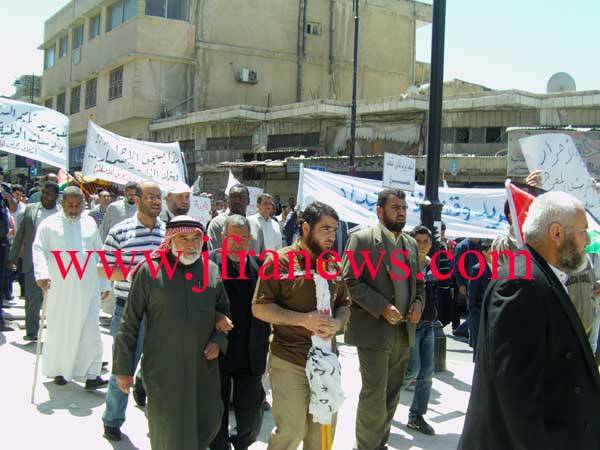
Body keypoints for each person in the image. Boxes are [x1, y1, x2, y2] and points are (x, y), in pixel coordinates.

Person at [459, 192, 600, 450]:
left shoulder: (537, 274)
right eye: (583, 231)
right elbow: (516, 395)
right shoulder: (521, 284)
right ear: (557, 233)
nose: (587, 240)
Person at [112, 216, 230, 450]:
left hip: (201, 370)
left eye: (196, 239)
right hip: (164, 371)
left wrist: (218, 342)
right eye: (183, 238)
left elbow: (223, 313)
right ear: (170, 240)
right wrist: (123, 369)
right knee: (168, 434)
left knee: (203, 426)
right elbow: (129, 322)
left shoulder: (211, 270)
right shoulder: (149, 271)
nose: (191, 245)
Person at [253, 201, 351, 450]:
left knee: (322, 435)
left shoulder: (333, 264)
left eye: (334, 230)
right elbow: (259, 308)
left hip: (327, 361)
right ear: (306, 228)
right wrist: (302, 319)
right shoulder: (279, 261)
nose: (331, 236)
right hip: (290, 359)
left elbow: (344, 304)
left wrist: (338, 322)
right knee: (292, 430)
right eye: (325, 229)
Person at [342, 188, 424, 450]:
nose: (401, 213)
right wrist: (383, 307)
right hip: (373, 331)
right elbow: (350, 280)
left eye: (404, 208)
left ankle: (379, 444)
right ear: (380, 211)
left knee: (392, 393)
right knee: (375, 393)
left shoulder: (410, 244)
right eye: (395, 207)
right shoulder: (363, 240)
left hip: (403, 332)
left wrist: (418, 304)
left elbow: (419, 284)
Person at [99, 181, 165, 442]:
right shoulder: (119, 231)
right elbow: (104, 268)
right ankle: (112, 419)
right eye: (150, 197)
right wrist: (135, 274)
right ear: (136, 199)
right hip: (128, 310)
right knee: (122, 365)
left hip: (161, 312)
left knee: (159, 367)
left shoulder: (169, 233)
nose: (156, 201)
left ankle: (152, 406)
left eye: (159, 197)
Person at [32, 186, 110, 388]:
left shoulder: (89, 223)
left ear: (84, 204)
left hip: (88, 288)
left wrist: (104, 283)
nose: (74, 210)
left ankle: (92, 374)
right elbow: (38, 250)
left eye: (77, 205)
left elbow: (98, 253)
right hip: (61, 289)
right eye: (70, 206)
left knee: (91, 332)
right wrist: (42, 275)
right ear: (62, 204)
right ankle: (61, 370)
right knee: (62, 330)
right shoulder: (49, 224)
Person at [209, 214, 270, 450]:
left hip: (250, 351)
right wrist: (215, 316)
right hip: (217, 349)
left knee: (251, 417)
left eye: (244, 238)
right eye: (233, 237)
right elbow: (195, 304)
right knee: (217, 409)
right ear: (223, 236)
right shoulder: (208, 265)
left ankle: (242, 441)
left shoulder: (260, 266)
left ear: (250, 239)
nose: (238, 243)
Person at [9, 182, 61, 341]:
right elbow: (21, 235)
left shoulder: (62, 212)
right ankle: (32, 331)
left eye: (49, 193)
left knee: (55, 299)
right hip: (33, 261)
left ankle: (56, 331)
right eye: (43, 192)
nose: (45, 196)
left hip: (57, 263)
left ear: (56, 196)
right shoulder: (31, 209)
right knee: (32, 298)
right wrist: (13, 258)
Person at [403, 225, 437, 435]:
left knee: (427, 373)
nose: (422, 245)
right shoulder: (405, 265)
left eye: (426, 241)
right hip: (412, 326)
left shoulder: (432, 265)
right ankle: (385, 401)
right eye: (418, 241)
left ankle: (416, 416)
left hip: (428, 325)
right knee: (412, 370)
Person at [466, 239, 493, 358]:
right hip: (479, 313)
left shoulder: (500, 267)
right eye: (491, 252)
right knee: (479, 351)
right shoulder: (478, 269)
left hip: (492, 314)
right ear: (484, 253)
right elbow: (472, 294)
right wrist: (474, 313)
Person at [452, 237, 481, 337]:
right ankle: (466, 331)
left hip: (482, 282)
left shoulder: (483, 244)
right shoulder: (462, 247)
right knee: (474, 309)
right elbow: (457, 268)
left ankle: (464, 329)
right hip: (469, 284)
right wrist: (461, 284)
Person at [208, 184, 249, 250]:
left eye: (241, 197)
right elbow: (216, 254)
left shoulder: (254, 224)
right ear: (228, 200)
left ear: (248, 200)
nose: (237, 200)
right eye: (233, 197)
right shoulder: (217, 223)